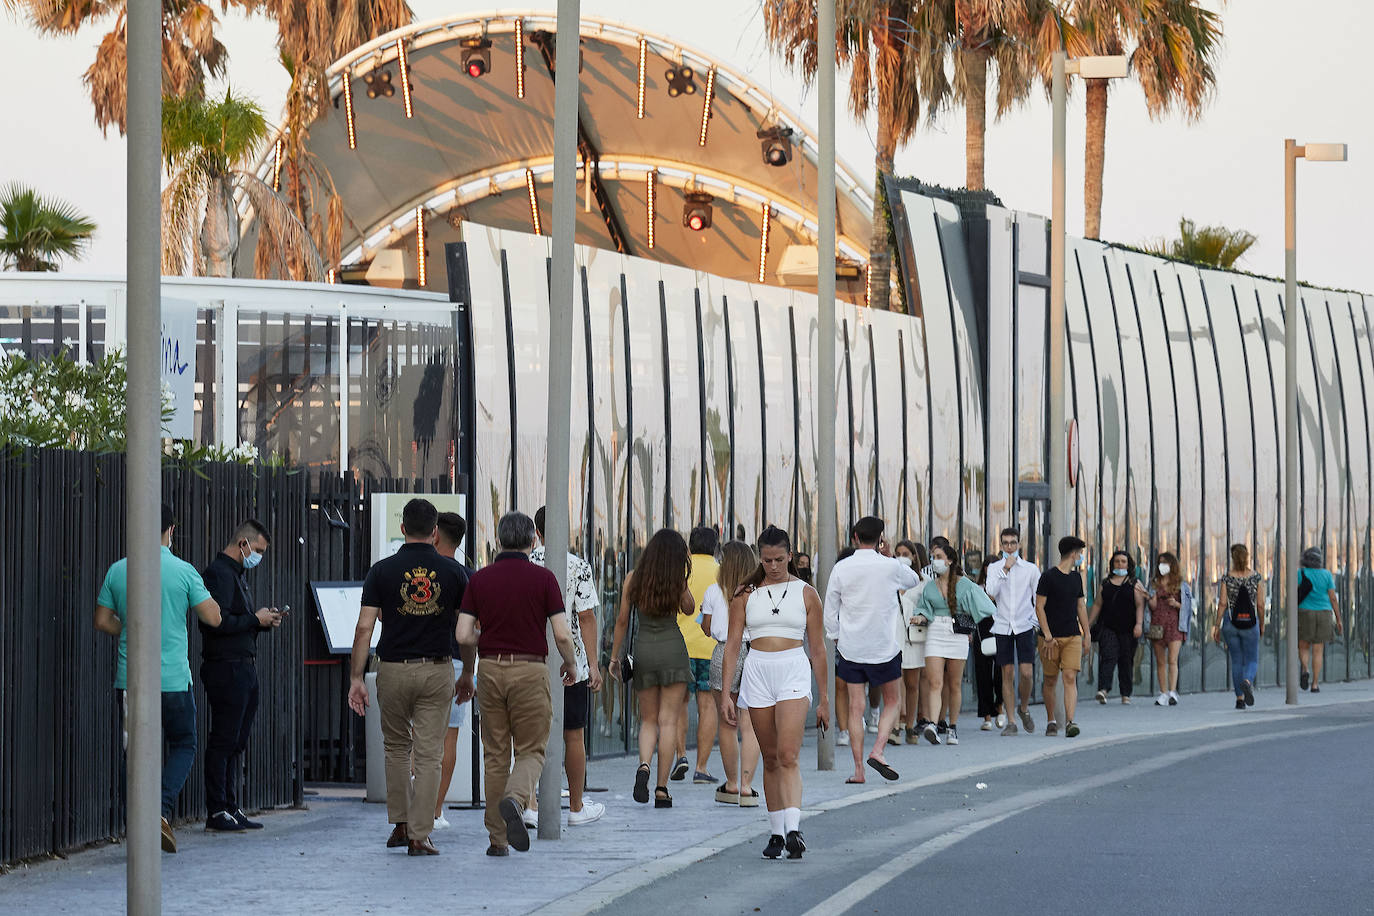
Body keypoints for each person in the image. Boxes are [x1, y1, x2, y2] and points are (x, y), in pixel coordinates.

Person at [94, 503, 222, 853]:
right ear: (171, 530)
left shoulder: (119, 570)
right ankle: (159, 811)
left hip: (130, 679)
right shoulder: (183, 571)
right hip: (174, 681)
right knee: (185, 743)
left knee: (133, 752)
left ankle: (135, 820)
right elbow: (213, 618)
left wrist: (128, 630)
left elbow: (102, 621)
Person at [347, 498, 470, 857]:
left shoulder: (381, 571)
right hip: (436, 668)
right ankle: (420, 834)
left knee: (397, 748)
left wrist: (357, 677)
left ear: (402, 529)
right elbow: (466, 632)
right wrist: (469, 672)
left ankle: (400, 825)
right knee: (430, 754)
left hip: (393, 668)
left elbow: (364, 628)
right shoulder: (454, 573)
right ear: (435, 533)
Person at [455, 511, 578, 856]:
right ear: (533, 541)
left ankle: (497, 840)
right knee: (532, 750)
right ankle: (516, 799)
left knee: (495, 755)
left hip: (490, 670)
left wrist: (486, 638)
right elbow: (561, 634)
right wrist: (571, 665)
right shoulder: (544, 579)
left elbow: (463, 633)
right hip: (530, 670)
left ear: (498, 540)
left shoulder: (479, 580)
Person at [720, 526, 829, 860]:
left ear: (790, 555)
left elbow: (818, 648)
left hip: (793, 668)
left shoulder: (807, 593)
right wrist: (727, 692)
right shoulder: (745, 593)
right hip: (758, 669)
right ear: (759, 558)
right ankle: (776, 833)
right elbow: (733, 644)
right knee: (769, 757)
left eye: (779, 559)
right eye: (767, 560)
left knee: (788, 754)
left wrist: (824, 698)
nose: (773, 565)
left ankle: (794, 827)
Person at [199, 519, 283, 833]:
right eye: (257, 550)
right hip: (226, 666)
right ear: (243, 544)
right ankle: (217, 809)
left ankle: (231, 806)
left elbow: (238, 622)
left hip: (243, 664)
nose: (259, 556)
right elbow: (214, 624)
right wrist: (253, 620)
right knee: (224, 739)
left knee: (237, 741)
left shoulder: (236, 575)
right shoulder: (218, 575)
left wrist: (260, 621)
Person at [823, 516, 920, 782]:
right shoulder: (890, 566)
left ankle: (858, 770)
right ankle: (878, 749)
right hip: (884, 648)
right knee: (892, 701)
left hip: (851, 647)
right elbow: (913, 579)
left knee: (856, 707)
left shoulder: (842, 568)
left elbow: (830, 608)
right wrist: (890, 556)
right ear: (880, 538)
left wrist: (836, 637)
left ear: (854, 536)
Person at [527, 506, 605, 827]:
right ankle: (575, 807)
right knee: (574, 735)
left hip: (531, 661)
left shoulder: (525, 564)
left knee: (529, 736)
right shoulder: (579, 567)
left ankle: (530, 803)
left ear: (538, 531)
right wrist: (594, 664)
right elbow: (586, 617)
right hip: (571, 664)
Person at [609, 529, 696, 808]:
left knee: (648, 720)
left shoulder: (633, 578)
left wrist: (614, 657)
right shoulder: (676, 581)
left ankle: (644, 765)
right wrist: (682, 584)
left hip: (644, 650)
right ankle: (661, 789)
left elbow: (622, 620)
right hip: (673, 650)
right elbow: (690, 608)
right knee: (668, 721)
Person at [910, 542, 995, 745]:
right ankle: (931, 723)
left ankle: (952, 727)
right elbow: (924, 608)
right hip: (935, 631)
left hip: (957, 633)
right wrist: (920, 618)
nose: (935, 561)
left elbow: (985, 605)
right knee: (935, 682)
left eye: (939, 557)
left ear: (949, 560)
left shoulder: (965, 584)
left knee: (954, 684)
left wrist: (970, 619)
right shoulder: (930, 585)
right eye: (933, 557)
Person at [701, 540, 761, 807]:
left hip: (724, 653)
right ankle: (747, 787)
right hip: (755, 652)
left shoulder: (714, 591)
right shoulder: (759, 592)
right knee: (751, 725)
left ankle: (732, 783)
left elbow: (706, 627)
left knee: (727, 723)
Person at [432, 511, 474, 830]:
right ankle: (435, 811)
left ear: (435, 534)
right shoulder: (467, 577)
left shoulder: (418, 571)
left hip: (419, 659)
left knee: (418, 736)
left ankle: (415, 803)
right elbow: (473, 628)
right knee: (449, 739)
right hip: (457, 661)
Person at [673, 526, 720, 785]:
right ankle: (702, 767)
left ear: (690, 546)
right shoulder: (722, 572)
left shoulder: (681, 570)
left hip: (681, 647)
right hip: (710, 647)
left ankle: (681, 754)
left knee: (679, 703)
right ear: (715, 546)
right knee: (707, 706)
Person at [984, 528, 1040, 736]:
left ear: (1019, 544)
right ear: (1000, 545)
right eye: (1006, 543)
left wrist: (1034, 622)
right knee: (1007, 673)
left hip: (1024, 625)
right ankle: (1011, 721)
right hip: (1002, 625)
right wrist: (1005, 570)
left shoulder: (1031, 569)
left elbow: (1038, 598)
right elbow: (990, 592)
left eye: (1013, 543)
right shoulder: (995, 568)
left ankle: (1023, 707)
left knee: (1026, 673)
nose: (1009, 547)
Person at [1035, 536, 1092, 737]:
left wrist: (1087, 634)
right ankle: (1051, 720)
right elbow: (1039, 607)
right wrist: (1048, 635)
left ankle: (1070, 722)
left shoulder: (1076, 578)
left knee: (1070, 676)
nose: (1081, 557)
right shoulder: (1048, 577)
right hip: (1050, 639)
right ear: (1073, 554)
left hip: (1072, 636)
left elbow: (1080, 606)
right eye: (1080, 553)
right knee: (1050, 679)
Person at [1088, 550, 1146, 705]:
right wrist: (1087, 625)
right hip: (1108, 627)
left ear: (1128, 564)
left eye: (1123, 561)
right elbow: (1097, 604)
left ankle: (1125, 693)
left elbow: (1140, 605)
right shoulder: (1105, 583)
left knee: (1126, 660)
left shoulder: (1134, 584)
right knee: (1108, 656)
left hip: (1128, 628)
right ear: (1112, 563)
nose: (1120, 564)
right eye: (1117, 561)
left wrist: (1139, 624)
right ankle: (1103, 689)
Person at [1214, 544, 1266, 708]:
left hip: (1231, 623)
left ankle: (1239, 699)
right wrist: (1262, 624)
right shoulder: (1256, 578)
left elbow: (1222, 603)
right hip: (1251, 623)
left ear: (1232, 558)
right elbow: (1261, 604)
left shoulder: (1227, 578)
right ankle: (1247, 680)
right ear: (1248, 557)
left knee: (1236, 660)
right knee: (1251, 659)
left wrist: (1217, 626)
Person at [1147, 551, 1192, 706]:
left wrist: (1177, 604)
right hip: (1157, 624)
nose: (1162, 566)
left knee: (1172, 660)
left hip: (1175, 625)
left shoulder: (1181, 584)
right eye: (1160, 562)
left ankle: (1173, 691)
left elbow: (1188, 607)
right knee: (1160, 661)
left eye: (1165, 563)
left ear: (1172, 565)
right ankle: (1163, 692)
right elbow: (1151, 607)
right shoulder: (1154, 583)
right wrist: (1151, 601)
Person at [895, 541, 929, 743]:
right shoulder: (890, 579)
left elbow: (928, 607)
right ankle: (897, 722)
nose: (901, 556)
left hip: (913, 636)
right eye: (898, 553)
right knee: (895, 680)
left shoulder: (923, 581)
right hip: (893, 635)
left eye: (905, 553)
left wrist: (922, 617)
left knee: (912, 683)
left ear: (914, 556)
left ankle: (910, 725)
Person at [1296, 547, 1342, 692]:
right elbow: (1333, 598)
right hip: (1324, 612)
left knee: (1303, 646)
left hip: (1305, 611)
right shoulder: (1327, 575)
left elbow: (1293, 593)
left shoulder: (1300, 573)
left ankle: (1305, 669)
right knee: (1318, 650)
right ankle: (1315, 684)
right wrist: (1338, 619)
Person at [970, 559, 1003, 731]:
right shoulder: (977, 589)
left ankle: (1000, 706)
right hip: (982, 634)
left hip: (1002, 633)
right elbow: (971, 610)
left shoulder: (1004, 586)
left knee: (1001, 673)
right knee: (982, 675)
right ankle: (986, 715)